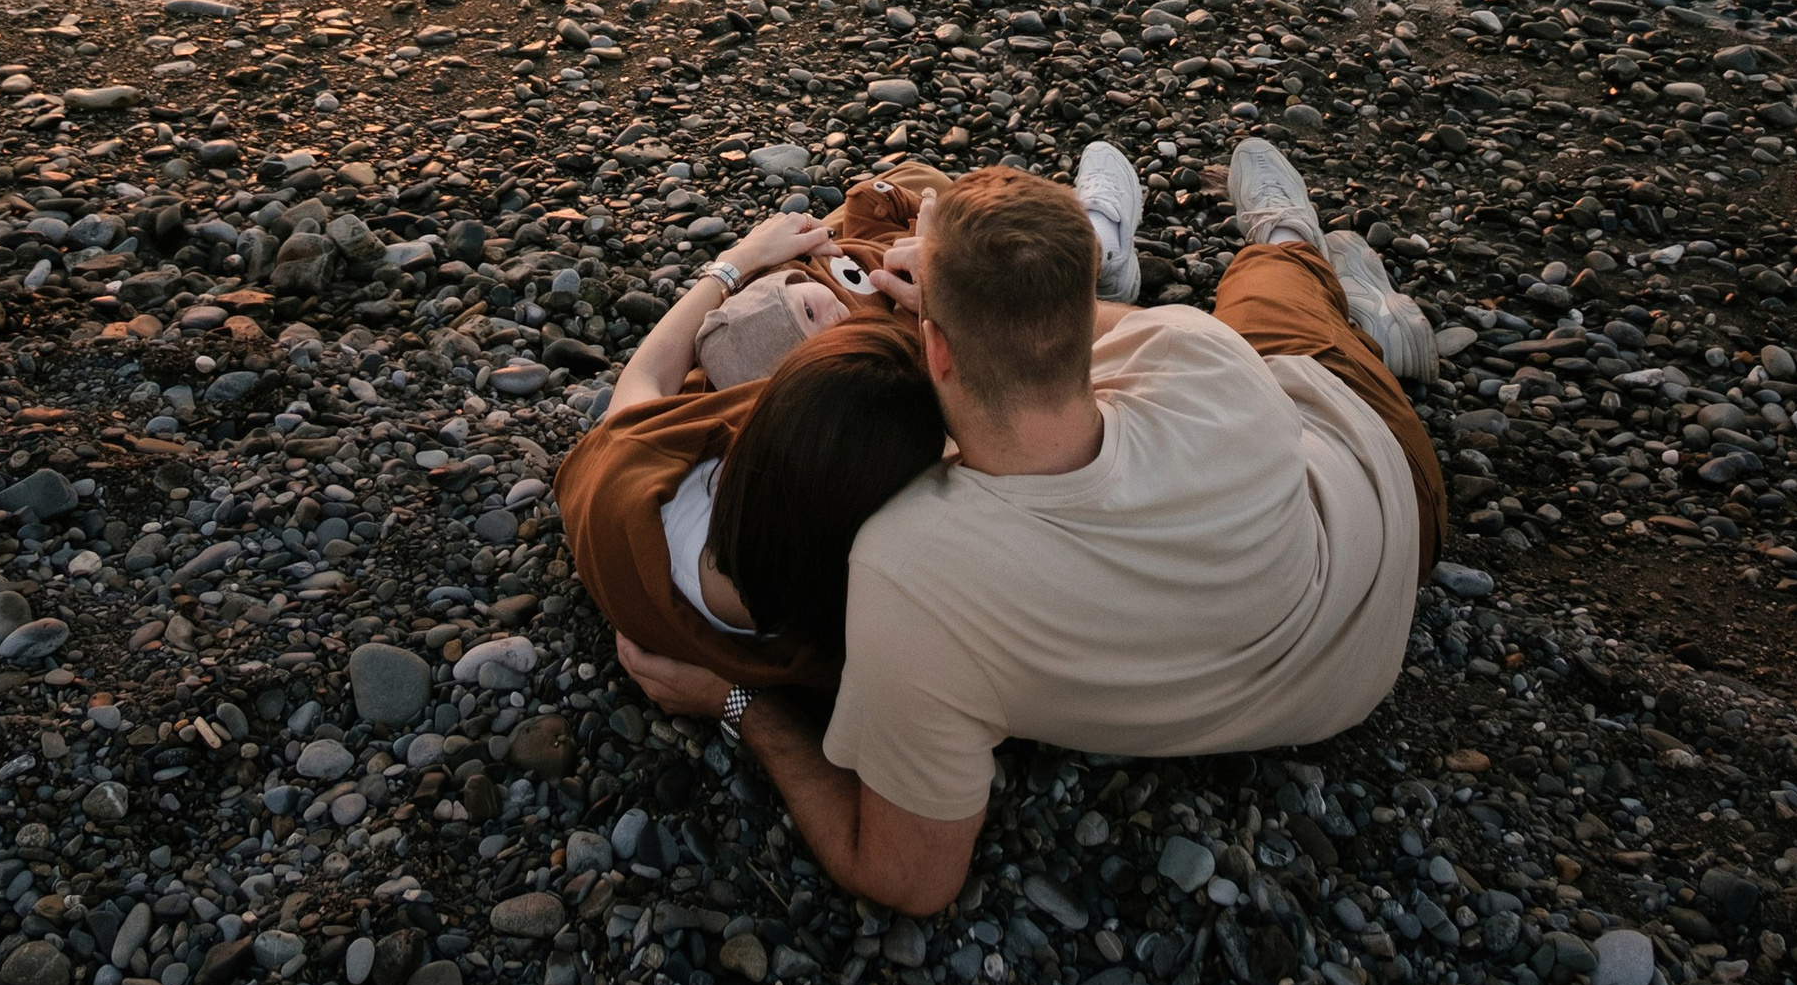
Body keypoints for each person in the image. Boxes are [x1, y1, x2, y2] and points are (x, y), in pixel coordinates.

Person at [615, 133, 1444, 916]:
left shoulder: (909, 569)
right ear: (1082, 316)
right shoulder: (1196, 354)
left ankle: (1302, 250)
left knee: (1275, 279)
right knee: (1261, 291)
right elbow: (1063, 344)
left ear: (934, 350)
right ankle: (1310, 267)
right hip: (1389, 501)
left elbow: (907, 879)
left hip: (1339, 681)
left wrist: (737, 704)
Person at [553, 189, 947, 686]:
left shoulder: (625, 484)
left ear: (759, 419)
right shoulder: (880, 637)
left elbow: (644, 378)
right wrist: (943, 306)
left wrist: (736, 262)